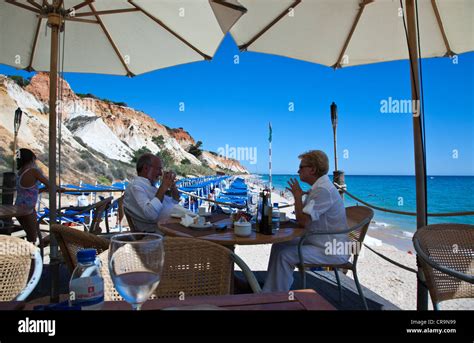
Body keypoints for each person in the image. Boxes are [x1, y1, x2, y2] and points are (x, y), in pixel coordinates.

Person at [263, 150, 350, 292]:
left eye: (301, 167)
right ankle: (271, 289)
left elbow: (303, 221)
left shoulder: (323, 191)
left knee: (285, 255)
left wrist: (297, 196)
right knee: (279, 245)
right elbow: (304, 218)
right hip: (318, 241)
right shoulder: (319, 188)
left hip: (331, 249)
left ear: (313, 169)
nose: (298, 171)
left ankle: (275, 297)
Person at [123, 153, 179, 233]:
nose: (160, 173)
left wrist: (172, 186)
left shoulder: (151, 186)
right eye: (158, 169)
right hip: (161, 233)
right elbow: (150, 214)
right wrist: (163, 186)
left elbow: (175, 200)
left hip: (173, 226)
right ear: (146, 168)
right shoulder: (135, 187)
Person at [14, 148, 51, 243]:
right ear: (31, 159)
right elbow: (51, 185)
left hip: (18, 207)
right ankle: (32, 256)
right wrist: (60, 189)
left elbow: (28, 191)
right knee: (32, 239)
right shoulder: (33, 171)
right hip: (28, 209)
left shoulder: (20, 172)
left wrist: (41, 189)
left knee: (30, 235)